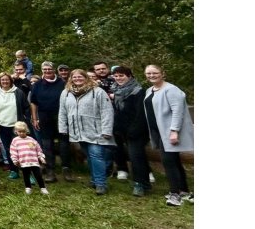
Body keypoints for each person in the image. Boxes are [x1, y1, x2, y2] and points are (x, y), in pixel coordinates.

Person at [143, 65, 194, 206]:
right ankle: (184, 191)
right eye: (148, 73)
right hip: (158, 132)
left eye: (155, 73)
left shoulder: (171, 90)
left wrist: (174, 131)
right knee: (174, 161)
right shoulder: (149, 90)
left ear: (162, 74)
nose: (152, 75)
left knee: (168, 162)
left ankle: (174, 195)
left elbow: (178, 111)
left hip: (169, 133)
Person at [58, 69, 115, 195]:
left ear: (86, 78)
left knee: (96, 156)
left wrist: (106, 130)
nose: (77, 79)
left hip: (96, 130)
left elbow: (107, 111)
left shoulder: (98, 92)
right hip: (78, 130)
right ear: (71, 78)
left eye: (80, 77)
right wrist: (63, 128)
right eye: (75, 77)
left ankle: (101, 184)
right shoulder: (66, 93)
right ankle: (94, 180)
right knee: (89, 156)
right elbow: (62, 112)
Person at [109, 66, 153, 196]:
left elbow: (141, 113)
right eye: (116, 76)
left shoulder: (138, 91)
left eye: (121, 75)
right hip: (120, 129)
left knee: (136, 157)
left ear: (129, 76)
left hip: (136, 129)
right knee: (136, 156)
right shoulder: (116, 90)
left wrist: (134, 130)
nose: (118, 78)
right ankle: (144, 183)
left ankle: (140, 184)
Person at [29, 61, 71, 182]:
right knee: (47, 145)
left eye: (49, 69)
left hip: (61, 117)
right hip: (44, 116)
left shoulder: (63, 83)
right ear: (42, 71)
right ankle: (50, 171)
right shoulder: (37, 84)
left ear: (54, 70)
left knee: (64, 144)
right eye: (45, 69)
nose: (47, 71)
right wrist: (34, 117)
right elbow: (33, 102)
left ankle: (66, 169)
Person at [0, 73, 28, 179]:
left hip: (17, 126)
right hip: (2, 126)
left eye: (7, 79)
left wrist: (25, 120)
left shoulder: (18, 92)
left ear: (10, 80)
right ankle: (14, 170)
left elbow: (26, 107)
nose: (5, 82)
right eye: (2, 80)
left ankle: (27, 172)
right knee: (8, 149)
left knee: (21, 149)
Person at [10, 121, 49, 195]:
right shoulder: (15, 141)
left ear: (26, 130)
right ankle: (28, 188)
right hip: (23, 162)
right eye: (19, 131)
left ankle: (43, 188)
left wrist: (41, 157)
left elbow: (38, 149)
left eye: (23, 131)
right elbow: (13, 151)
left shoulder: (31, 139)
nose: (22, 133)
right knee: (26, 176)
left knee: (38, 175)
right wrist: (15, 160)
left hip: (34, 161)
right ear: (16, 131)